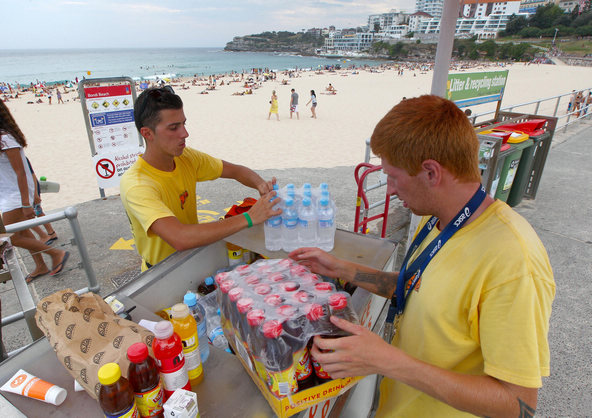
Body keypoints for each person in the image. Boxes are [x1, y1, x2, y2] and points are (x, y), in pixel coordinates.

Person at [290, 95, 555, 417]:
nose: (388, 190)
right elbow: (417, 287)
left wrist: (387, 360)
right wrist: (341, 267)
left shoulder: (514, 261)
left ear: (431, 172)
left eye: (393, 176)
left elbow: (520, 405)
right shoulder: (438, 221)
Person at [120, 87, 281, 271]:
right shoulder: (137, 185)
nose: (184, 133)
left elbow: (236, 171)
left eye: (183, 124)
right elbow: (180, 237)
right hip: (161, 272)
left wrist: (260, 185)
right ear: (147, 133)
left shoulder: (185, 157)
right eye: (174, 127)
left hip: (193, 258)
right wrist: (249, 217)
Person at [0, 93, 69, 282]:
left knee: (11, 237)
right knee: (23, 233)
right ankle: (41, 265)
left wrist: (27, 204)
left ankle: (56, 253)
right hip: (4, 196)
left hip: (16, 196)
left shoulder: (5, 138)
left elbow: (21, 172)